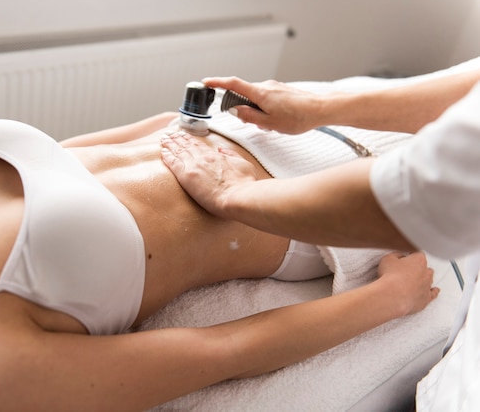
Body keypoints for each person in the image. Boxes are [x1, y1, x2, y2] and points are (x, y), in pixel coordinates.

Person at [0, 112, 438, 412]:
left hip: (253, 130)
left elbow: (59, 156)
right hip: (313, 208)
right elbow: (222, 352)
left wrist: (174, 120)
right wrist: (389, 300)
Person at [160, 64, 480, 411]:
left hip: (280, 186)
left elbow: (419, 196)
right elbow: (226, 351)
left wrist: (235, 193)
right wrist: (321, 107)